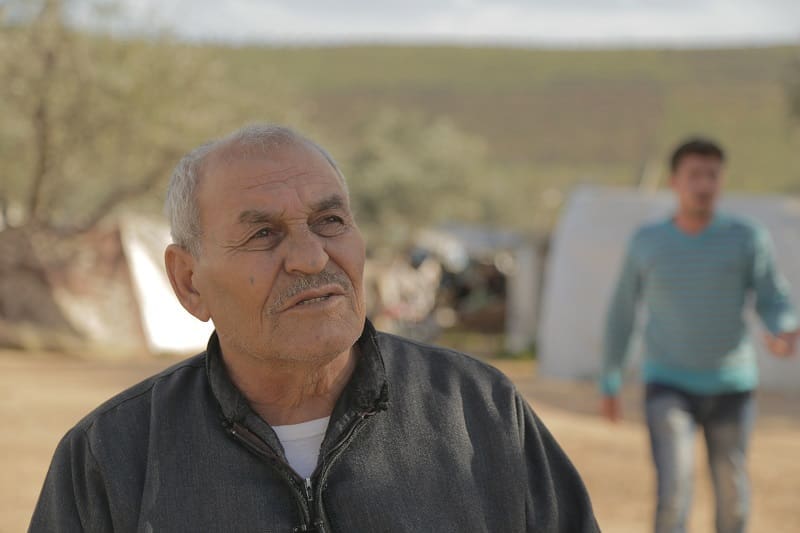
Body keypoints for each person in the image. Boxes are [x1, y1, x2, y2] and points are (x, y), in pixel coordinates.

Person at [30, 124, 599, 532]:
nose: (311, 257)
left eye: (330, 221)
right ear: (188, 281)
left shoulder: (478, 412)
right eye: (263, 235)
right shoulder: (113, 456)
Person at [600, 137, 798, 533]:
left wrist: (783, 327)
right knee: (674, 492)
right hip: (667, 383)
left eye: (712, 175)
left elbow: (772, 297)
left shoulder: (747, 237)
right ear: (674, 181)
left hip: (732, 386)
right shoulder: (647, 241)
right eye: (694, 175)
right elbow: (621, 312)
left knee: (732, 495)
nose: (704, 184)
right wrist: (611, 378)